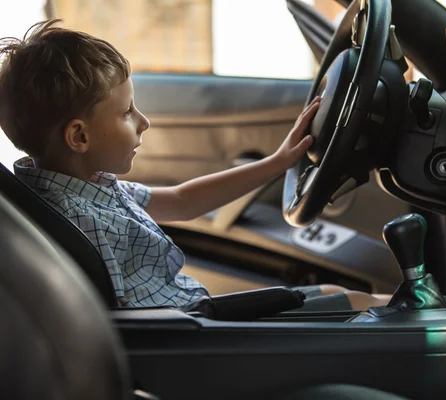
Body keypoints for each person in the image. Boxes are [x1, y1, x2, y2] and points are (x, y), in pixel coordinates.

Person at [0, 20, 391, 312]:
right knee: (360, 305)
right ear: (79, 137)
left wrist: (277, 162)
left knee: (335, 296)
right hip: (197, 331)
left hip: (196, 314)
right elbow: (129, 325)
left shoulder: (82, 187)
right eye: (127, 112)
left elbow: (183, 201)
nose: (144, 121)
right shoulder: (79, 222)